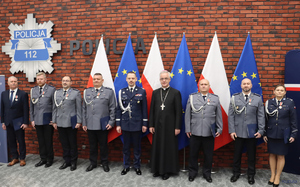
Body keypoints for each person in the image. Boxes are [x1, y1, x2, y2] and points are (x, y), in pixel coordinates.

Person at [185, 79, 223, 183]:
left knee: (208, 155)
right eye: (201, 84)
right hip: (194, 131)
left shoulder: (215, 98)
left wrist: (220, 128)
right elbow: (187, 114)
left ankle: (207, 174)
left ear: (209, 86)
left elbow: (218, 115)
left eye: (205, 84)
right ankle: (192, 173)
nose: (203, 86)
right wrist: (188, 128)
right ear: (199, 86)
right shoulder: (192, 97)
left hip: (209, 132)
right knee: (193, 154)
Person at [228, 78, 265, 185]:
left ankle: (251, 175)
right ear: (241, 85)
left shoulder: (257, 99)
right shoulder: (235, 98)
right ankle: (236, 173)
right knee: (237, 154)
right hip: (238, 131)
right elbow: (231, 116)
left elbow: (261, 116)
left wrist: (261, 130)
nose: (246, 85)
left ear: (251, 85)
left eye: (248, 84)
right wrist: (232, 130)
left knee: (251, 155)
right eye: (244, 83)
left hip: (252, 132)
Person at [149, 70, 182, 180]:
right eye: (162, 79)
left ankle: (167, 170)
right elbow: (152, 110)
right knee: (158, 147)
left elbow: (178, 112)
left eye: (166, 78)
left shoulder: (175, 93)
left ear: (169, 79)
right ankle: (158, 169)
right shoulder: (155, 92)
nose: (164, 80)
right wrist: (151, 125)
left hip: (170, 127)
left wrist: (177, 127)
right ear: (160, 80)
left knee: (168, 148)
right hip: (157, 126)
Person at [263, 84, 298, 187]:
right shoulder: (269, 102)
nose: (279, 92)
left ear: (285, 92)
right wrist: (264, 133)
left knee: (281, 156)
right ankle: (272, 175)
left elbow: (293, 119)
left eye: (281, 90)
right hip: (271, 133)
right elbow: (265, 119)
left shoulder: (290, 103)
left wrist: (294, 133)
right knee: (272, 154)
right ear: (274, 92)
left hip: (284, 134)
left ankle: (278, 176)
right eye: (277, 90)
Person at [82, 73, 116, 172]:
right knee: (92, 146)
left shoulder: (109, 92)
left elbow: (112, 108)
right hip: (90, 124)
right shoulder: (87, 92)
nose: (96, 80)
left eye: (98, 79)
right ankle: (93, 163)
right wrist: (84, 123)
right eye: (95, 79)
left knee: (103, 146)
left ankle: (104, 163)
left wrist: (111, 122)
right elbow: (83, 108)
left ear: (102, 80)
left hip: (103, 124)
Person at [116, 71, 148, 176]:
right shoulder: (122, 92)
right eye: (129, 78)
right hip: (125, 124)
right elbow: (118, 109)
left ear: (136, 79)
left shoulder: (141, 91)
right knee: (125, 147)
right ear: (126, 79)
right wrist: (118, 124)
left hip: (137, 124)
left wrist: (144, 124)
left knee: (137, 147)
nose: (131, 80)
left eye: (132, 78)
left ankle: (137, 166)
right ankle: (126, 166)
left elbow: (144, 109)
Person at [52, 76, 82, 171]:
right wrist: (54, 121)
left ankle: (73, 162)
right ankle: (67, 161)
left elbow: (79, 108)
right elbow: (54, 108)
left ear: (71, 82)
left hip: (71, 122)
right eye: (63, 81)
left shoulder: (75, 93)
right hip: (60, 122)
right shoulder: (57, 93)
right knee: (64, 143)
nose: (65, 82)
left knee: (72, 143)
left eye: (67, 81)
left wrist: (79, 121)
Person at [1, 76, 29, 167]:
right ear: (8, 83)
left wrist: (25, 122)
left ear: (17, 83)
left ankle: (22, 158)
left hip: (19, 122)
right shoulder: (4, 94)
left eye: (15, 81)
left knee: (21, 140)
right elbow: (2, 109)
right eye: (11, 81)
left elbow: (26, 109)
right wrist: (3, 122)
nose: (13, 83)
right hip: (8, 122)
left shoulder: (23, 94)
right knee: (11, 140)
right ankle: (15, 158)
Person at [30, 72, 55, 168]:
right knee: (41, 141)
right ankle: (43, 158)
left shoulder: (51, 90)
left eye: (41, 79)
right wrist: (32, 119)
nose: (39, 81)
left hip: (48, 120)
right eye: (38, 79)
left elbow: (54, 106)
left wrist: (54, 119)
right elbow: (32, 106)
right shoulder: (33, 90)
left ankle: (49, 159)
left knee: (48, 140)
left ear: (45, 80)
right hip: (37, 120)